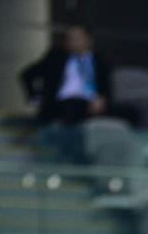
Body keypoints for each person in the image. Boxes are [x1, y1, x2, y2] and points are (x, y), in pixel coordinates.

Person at [19, 23, 111, 162]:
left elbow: (107, 88)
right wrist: (35, 98)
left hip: (90, 106)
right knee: (73, 105)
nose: (72, 43)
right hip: (60, 105)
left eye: (77, 39)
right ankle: (72, 155)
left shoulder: (99, 61)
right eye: (69, 39)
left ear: (88, 41)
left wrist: (102, 99)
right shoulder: (55, 58)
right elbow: (27, 74)